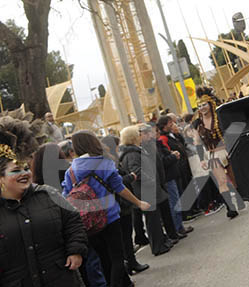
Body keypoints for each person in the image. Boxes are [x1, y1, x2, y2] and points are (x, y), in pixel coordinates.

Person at [1, 119, 88, 287]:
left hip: (61, 279)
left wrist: (76, 250)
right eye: (16, 170)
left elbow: (73, 222)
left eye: (26, 168)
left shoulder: (48, 194)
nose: (24, 173)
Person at [61, 131, 150, 287]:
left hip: (87, 221)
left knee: (104, 259)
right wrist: (138, 202)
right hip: (109, 217)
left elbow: (66, 195)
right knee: (117, 257)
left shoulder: (71, 171)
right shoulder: (103, 163)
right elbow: (120, 188)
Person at [118, 124, 179, 257]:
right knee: (152, 221)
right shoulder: (132, 154)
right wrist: (150, 178)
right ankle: (158, 246)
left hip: (148, 190)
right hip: (145, 191)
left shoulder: (134, 151)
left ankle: (161, 243)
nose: (141, 136)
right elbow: (136, 171)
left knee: (155, 220)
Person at [192, 88, 242, 219]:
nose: (202, 108)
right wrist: (202, 159)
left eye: (204, 104)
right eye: (199, 106)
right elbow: (197, 142)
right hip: (212, 155)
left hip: (227, 150)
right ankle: (230, 208)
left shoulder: (219, 116)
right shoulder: (197, 123)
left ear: (210, 104)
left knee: (235, 180)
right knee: (221, 181)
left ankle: (239, 195)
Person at [156, 115, 193, 238]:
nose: (172, 124)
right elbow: (162, 160)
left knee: (176, 199)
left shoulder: (163, 140)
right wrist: (173, 156)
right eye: (170, 123)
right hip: (169, 176)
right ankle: (178, 227)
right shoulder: (160, 140)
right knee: (174, 202)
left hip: (174, 172)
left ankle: (179, 226)